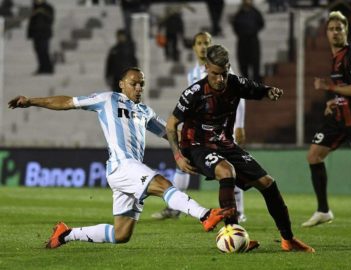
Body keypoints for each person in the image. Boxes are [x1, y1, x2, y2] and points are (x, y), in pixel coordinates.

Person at [8, 67, 235, 249]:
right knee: (162, 184)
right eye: (133, 83)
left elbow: (169, 132)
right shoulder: (107, 99)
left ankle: (66, 234)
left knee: (121, 234)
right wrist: (31, 101)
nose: (138, 88)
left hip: (128, 170)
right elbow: (68, 102)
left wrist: (195, 147)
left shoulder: (145, 111)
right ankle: (204, 215)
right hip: (122, 165)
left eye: (141, 84)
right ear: (121, 84)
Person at [166, 44, 315, 253]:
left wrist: (270, 92)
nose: (220, 79)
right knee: (226, 171)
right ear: (207, 68)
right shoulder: (194, 93)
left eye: (224, 73)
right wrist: (178, 156)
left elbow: (257, 89)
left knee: (268, 184)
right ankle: (232, 236)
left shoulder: (234, 83)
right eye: (216, 74)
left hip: (225, 144)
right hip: (197, 146)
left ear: (229, 68)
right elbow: (171, 124)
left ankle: (288, 239)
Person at [152, 32, 248, 223]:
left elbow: (240, 96)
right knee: (183, 164)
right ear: (194, 47)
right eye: (199, 43)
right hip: (200, 130)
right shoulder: (193, 73)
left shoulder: (224, 69)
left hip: (223, 128)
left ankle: (239, 211)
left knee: (232, 167)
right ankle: (175, 208)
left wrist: (240, 125)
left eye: (207, 43)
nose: (203, 46)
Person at [302, 11, 351, 227]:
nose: (335, 32)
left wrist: (329, 87)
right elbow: (347, 91)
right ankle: (323, 210)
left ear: (346, 31)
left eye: (339, 28)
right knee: (314, 155)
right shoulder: (336, 58)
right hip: (340, 118)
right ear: (326, 33)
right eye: (331, 29)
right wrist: (334, 100)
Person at [232, 0, 264, 82]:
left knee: (255, 65)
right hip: (242, 42)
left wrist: (253, 31)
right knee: (243, 66)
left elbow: (261, 24)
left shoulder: (256, 13)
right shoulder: (239, 14)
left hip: (253, 41)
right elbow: (235, 26)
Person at [27, 0, 54, 75]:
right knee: (38, 51)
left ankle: (48, 68)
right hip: (36, 34)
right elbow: (31, 22)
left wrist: (42, 12)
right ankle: (41, 68)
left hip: (44, 34)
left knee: (44, 51)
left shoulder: (48, 7)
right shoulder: (34, 8)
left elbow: (51, 19)